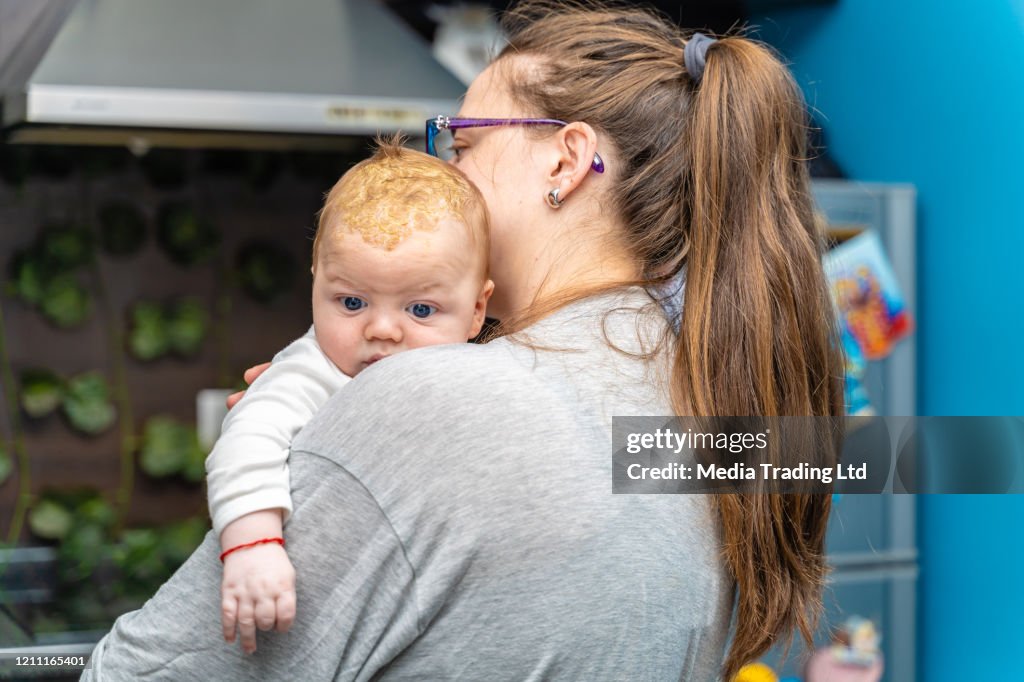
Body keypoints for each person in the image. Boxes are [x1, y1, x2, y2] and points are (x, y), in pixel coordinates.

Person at [81, 2, 843, 680]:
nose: (442, 174)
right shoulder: (704, 398)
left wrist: (365, 435)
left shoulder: (442, 402)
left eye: (462, 143)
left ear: (566, 161)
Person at [205, 140, 494, 655]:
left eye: (421, 310)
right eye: (353, 302)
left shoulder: (487, 371)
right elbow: (247, 440)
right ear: (316, 283)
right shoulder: (309, 372)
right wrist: (252, 544)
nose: (382, 330)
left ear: (476, 311)